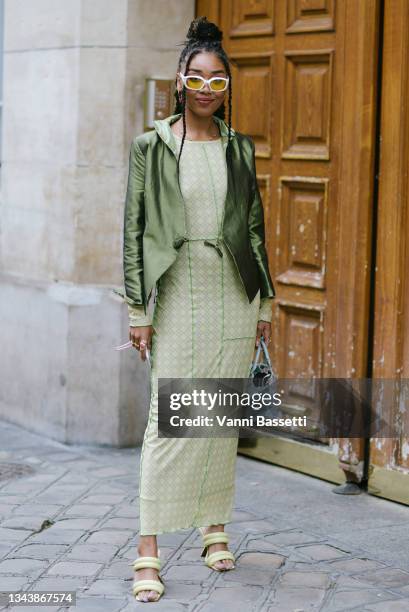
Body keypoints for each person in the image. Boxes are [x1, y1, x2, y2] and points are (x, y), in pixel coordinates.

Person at [116, 16, 276, 603]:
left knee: (217, 418)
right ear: (181, 81)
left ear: (227, 87)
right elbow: (133, 231)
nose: (208, 88)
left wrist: (264, 302)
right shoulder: (150, 146)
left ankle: (214, 527)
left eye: (219, 80)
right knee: (171, 419)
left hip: (234, 292)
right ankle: (148, 547)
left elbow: (254, 227)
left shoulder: (239, 148)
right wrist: (139, 310)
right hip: (180, 291)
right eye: (198, 78)